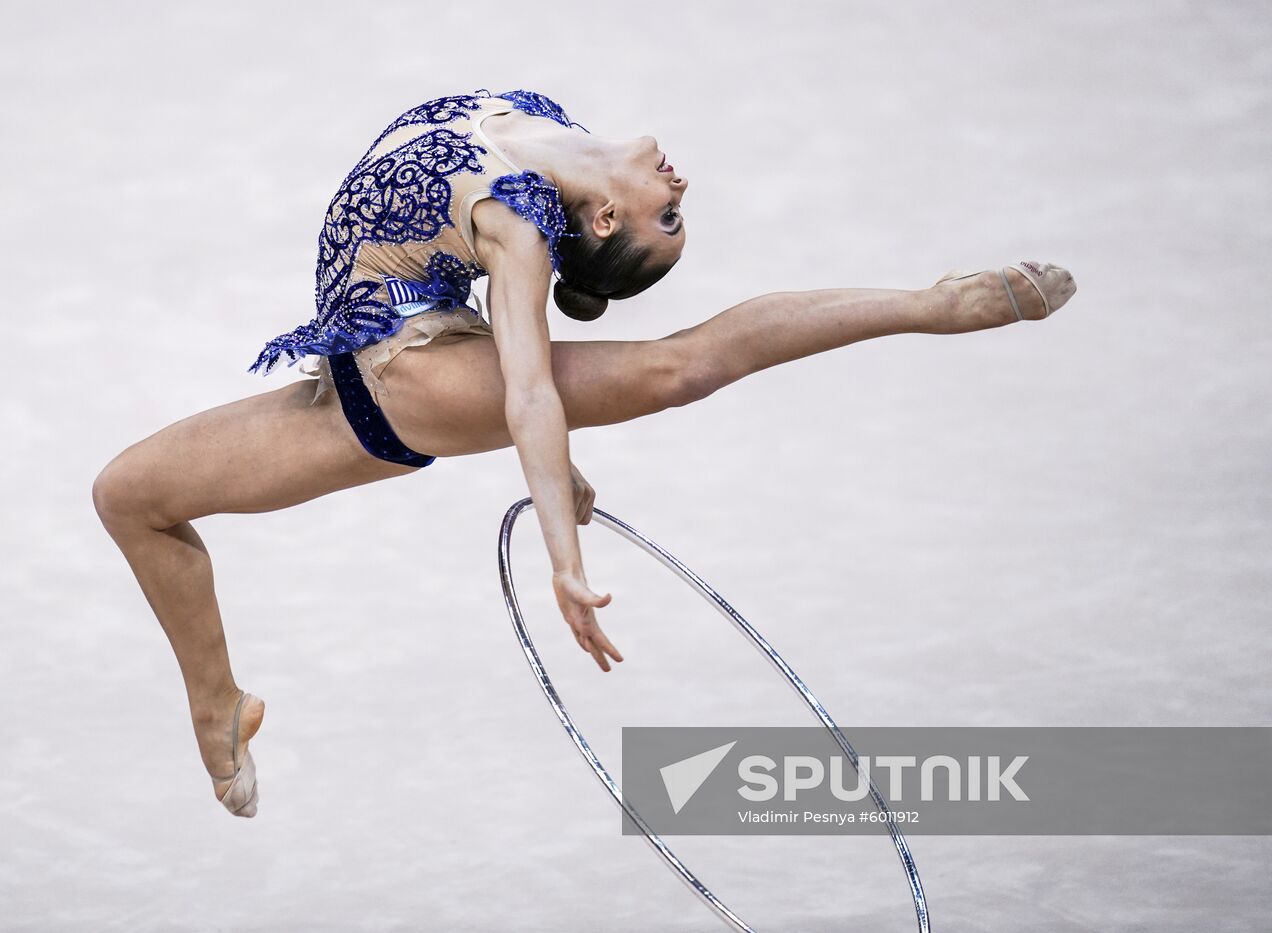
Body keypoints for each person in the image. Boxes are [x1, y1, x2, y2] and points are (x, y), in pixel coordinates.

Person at [91, 87, 1077, 817]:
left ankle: (934, 305)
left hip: (409, 378)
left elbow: (524, 385)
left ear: (598, 220)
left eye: (669, 214)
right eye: (671, 213)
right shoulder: (529, 111)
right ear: (596, 216)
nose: (678, 186)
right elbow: (508, 357)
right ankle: (217, 705)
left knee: (673, 368)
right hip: (356, 374)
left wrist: (561, 556)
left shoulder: (517, 224)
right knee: (127, 493)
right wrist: (550, 460)